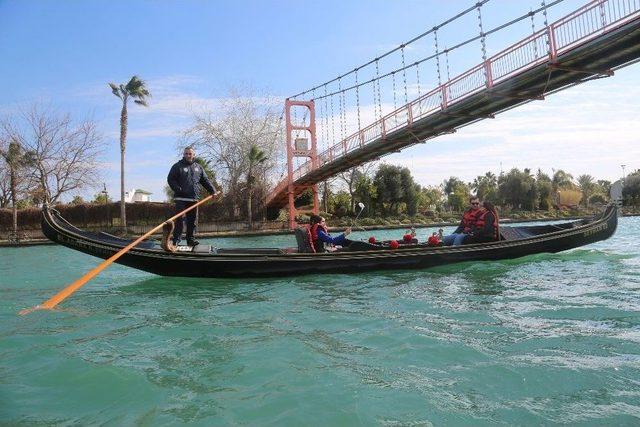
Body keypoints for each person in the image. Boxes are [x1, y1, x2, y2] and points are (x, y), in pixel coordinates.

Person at [167, 146, 218, 246]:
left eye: (190, 154)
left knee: (192, 220)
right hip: (180, 198)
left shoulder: (198, 168)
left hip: (193, 198)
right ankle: (176, 239)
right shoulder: (177, 166)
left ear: (193, 155)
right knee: (179, 220)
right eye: (186, 153)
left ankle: (190, 239)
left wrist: (213, 191)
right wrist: (177, 188)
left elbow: (205, 181)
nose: (188, 155)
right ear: (183, 154)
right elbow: (170, 179)